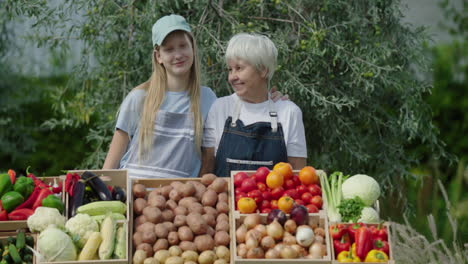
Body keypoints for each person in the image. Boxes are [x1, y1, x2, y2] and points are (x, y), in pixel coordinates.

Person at [102, 15, 286, 179]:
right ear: (158, 56)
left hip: (181, 203)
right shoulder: (139, 98)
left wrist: (266, 102)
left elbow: (244, 108)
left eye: (183, 46)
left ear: (192, 48)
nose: (178, 54)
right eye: (169, 49)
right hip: (135, 197)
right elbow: (111, 163)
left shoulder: (208, 99)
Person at [200, 33, 307, 177]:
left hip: (273, 199)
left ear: (263, 70)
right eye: (230, 69)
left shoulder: (289, 112)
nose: (232, 77)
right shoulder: (220, 108)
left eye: (239, 68)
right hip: (226, 198)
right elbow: (207, 166)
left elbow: (298, 173)